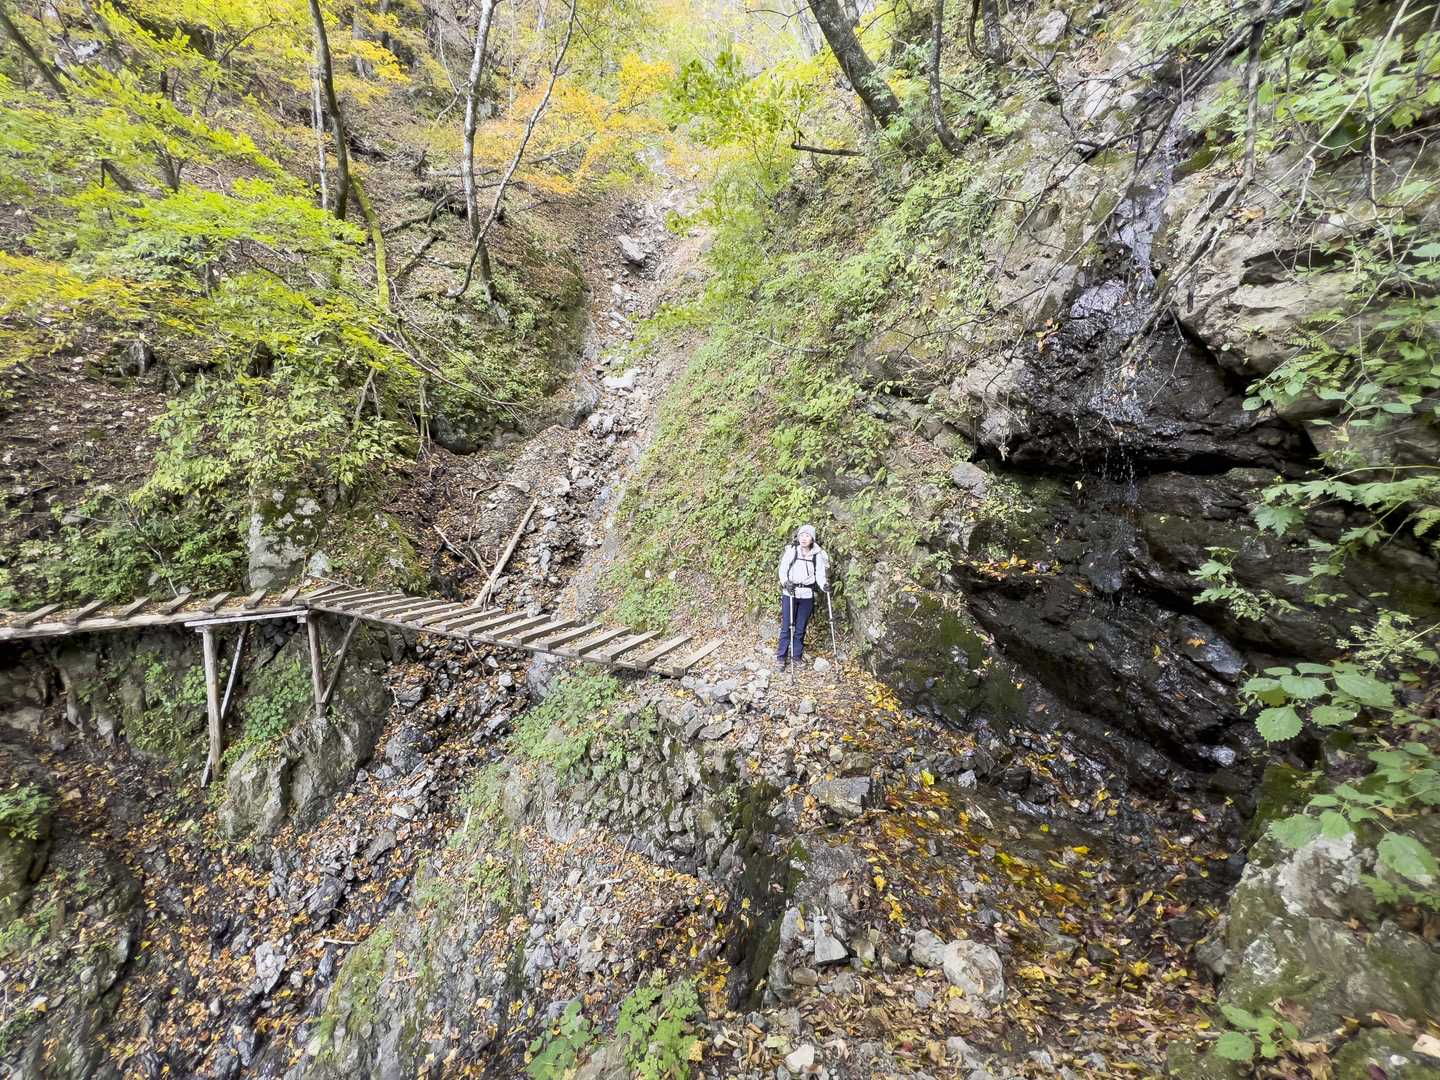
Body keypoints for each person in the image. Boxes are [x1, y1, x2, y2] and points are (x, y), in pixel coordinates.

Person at [777, 524, 828, 667]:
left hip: (807, 595)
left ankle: (796, 656)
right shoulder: (792, 551)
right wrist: (785, 583)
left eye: (807, 536)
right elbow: (783, 570)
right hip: (790, 593)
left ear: (812, 539)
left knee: (800, 628)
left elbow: (820, 575)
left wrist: (824, 585)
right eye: (801, 535)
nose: (804, 538)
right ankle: (781, 657)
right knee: (787, 626)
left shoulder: (817, 555)